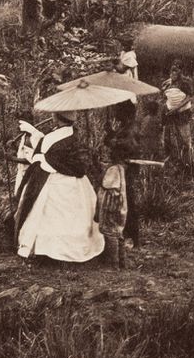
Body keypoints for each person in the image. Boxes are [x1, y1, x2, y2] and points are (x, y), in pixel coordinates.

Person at [14, 111, 105, 263]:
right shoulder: (73, 135)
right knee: (74, 215)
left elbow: (42, 155)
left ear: (57, 117)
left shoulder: (52, 137)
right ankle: (63, 249)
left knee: (46, 214)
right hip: (75, 182)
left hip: (54, 180)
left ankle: (49, 251)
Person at [98, 137, 136, 268]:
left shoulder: (114, 169)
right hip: (119, 205)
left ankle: (112, 263)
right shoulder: (120, 168)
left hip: (111, 206)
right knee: (117, 233)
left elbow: (108, 185)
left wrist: (100, 173)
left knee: (110, 233)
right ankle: (122, 261)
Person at [162, 63, 194, 166]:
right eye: (172, 70)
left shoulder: (185, 83)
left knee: (185, 139)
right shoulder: (167, 83)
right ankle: (173, 160)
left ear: (181, 72)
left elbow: (190, 97)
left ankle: (188, 163)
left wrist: (177, 108)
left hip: (182, 113)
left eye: (176, 70)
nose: (174, 73)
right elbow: (164, 96)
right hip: (169, 113)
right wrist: (167, 107)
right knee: (168, 137)